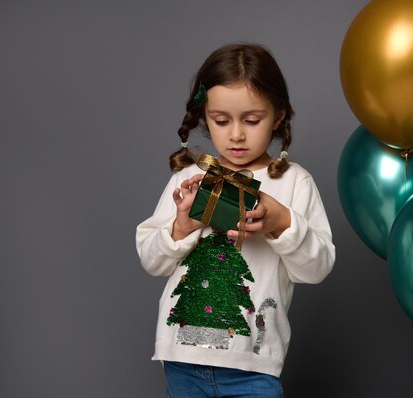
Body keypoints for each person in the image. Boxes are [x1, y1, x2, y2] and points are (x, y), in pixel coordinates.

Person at [136, 43, 335, 397]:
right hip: (182, 357)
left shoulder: (293, 182)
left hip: (253, 365)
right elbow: (151, 260)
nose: (237, 134)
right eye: (221, 120)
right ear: (204, 117)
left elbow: (317, 268)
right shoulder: (190, 178)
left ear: (278, 116)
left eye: (252, 120)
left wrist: (282, 222)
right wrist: (183, 226)